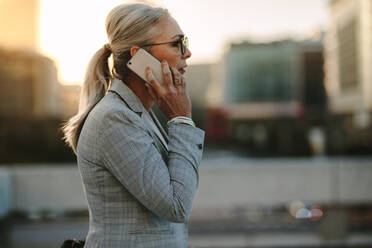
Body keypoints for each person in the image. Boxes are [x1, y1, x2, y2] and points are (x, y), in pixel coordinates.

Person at [62, 2, 204, 248]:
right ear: (140, 57)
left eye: (185, 42)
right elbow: (177, 205)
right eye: (175, 43)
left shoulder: (137, 114)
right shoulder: (113, 119)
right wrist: (181, 119)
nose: (187, 53)